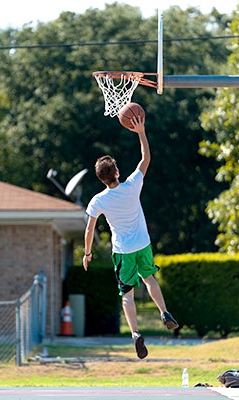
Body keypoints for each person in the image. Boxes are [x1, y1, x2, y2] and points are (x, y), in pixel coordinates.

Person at [83, 115, 178, 359]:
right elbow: (146, 159)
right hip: (143, 245)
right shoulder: (133, 184)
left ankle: (135, 333)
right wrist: (141, 131)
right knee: (149, 278)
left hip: (123, 251)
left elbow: (89, 229)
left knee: (127, 294)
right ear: (116, 171)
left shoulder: (98, 200)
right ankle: (164, 312)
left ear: (101, 177)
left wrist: (87, 253)